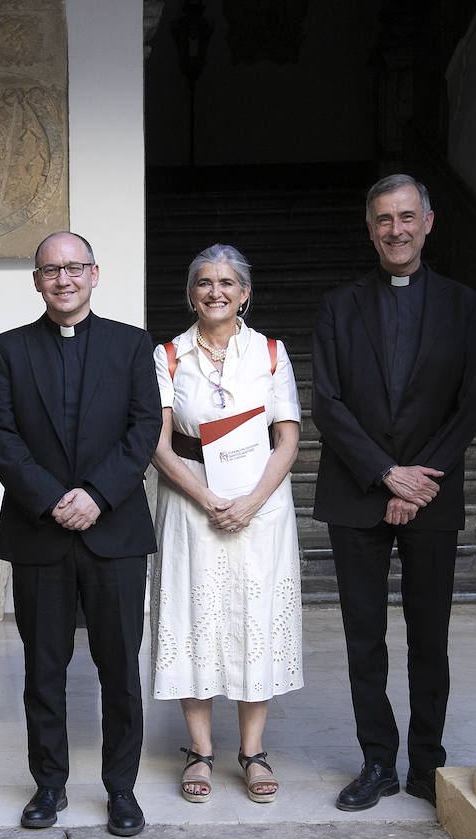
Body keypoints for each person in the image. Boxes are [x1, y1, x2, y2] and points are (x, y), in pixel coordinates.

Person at [312, 174, 476, 811]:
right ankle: (377, 763)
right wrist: (387, 474)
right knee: (364, 637)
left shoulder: (466, 304)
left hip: (433, 494)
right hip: (356, 491)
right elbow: (326, 405)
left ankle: (426, 765)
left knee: (429, 635)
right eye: (384, 219)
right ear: (370, 228)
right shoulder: (338, 305)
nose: (396, 230)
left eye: (407, 217)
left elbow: (470, 407)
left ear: (429, 222)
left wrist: (418, 482)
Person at [0, 231, 162, 837]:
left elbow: (142, 432)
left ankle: (122, 790)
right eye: (51, 270)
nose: (63, 279)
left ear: (94, 273)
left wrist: (97, 495)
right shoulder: (5, 350)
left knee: (120, 668)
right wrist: (53, 499)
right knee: (43, 667)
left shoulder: (133, 347)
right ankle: (49, 785)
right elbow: (0, 436)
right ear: (36, 280)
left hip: (115, 532)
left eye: (74, 267)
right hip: (41, 533)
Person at [149, 244, 303, 804]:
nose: (216, 292)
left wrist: (251, 500)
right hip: (191, 502)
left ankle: (253, 751)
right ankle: (199, 750)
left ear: (245, 293)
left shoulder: (269, 352)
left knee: (252, 615)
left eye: (227, 283)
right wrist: (208, 498)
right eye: (204, 282)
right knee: (196, 616)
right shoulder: (168, 354)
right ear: (190, 294)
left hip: (261, 505)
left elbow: (287, 437)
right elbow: (158, 443)